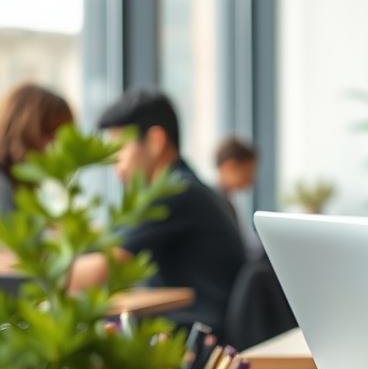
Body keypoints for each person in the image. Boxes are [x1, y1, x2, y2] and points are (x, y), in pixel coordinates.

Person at [69, 89, 246, 330]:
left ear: (155, 141)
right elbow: (108, 245)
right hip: (196, 336)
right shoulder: (185, 186)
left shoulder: (172, 192)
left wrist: (30, 271)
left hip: (194, 344)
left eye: (120, 149)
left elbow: (101, 270)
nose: (115, 165)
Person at [0, 84, 75, 215]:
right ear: (24, 131)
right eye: (50, 133)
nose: (56, 146)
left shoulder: (21, 183)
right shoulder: (3, 187)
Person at [214, 135, 257, 229]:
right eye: (248, 172)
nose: (252, 180)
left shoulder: (225, 201)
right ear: (230, 166)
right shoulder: (217, 205)